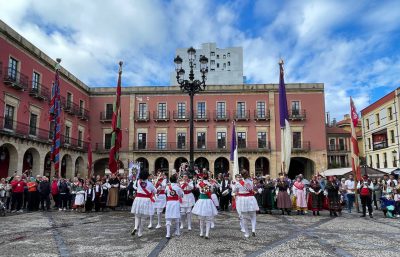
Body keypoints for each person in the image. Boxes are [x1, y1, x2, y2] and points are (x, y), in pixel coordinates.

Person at [131, 170, 157, 238]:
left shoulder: (138, 181)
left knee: (137, 215)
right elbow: (155, 191)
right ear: (147, 176)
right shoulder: (150, 183)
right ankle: (140, 232)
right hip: (146, 200)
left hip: (138, 199)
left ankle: (136, 227)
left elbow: (134, 187)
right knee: (143, 217)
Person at [192, 173, 218, 239]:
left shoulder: (199, 183)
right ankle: (207, 234)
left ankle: (201, 233)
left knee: (201, 219)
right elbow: (211, 191)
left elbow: (196, 186)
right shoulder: (210, 184)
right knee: (208, 219)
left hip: (201, 201)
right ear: (208, 178)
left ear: (203, 178)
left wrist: (200, 182)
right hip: (208, 201)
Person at [234, 170, 259, 238]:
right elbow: (252, 190)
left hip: (243, 200)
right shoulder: (251, 182)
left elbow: (234, 191)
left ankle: (247, 233)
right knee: (253, 216)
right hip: (251, 199)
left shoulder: (238, 183)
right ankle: (253, 230)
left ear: (241, 175)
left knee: (244, 217)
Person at [165, 175, 184, 239]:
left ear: (170, 180)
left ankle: (168, 234)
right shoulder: (178, 187)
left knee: (168, 217)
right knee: (176, 217)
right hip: (176, 202)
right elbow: (181, 195)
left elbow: (165, 192)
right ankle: (178, 231)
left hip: (169, 203)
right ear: (176, 180)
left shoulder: (167, 187)